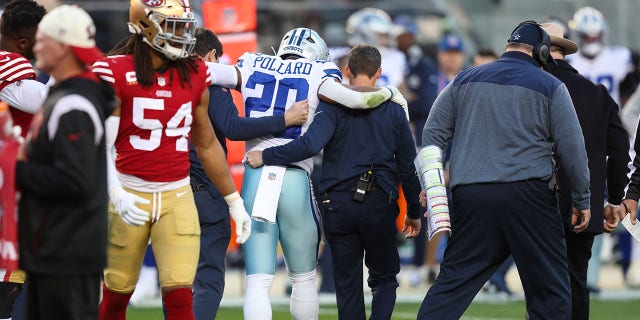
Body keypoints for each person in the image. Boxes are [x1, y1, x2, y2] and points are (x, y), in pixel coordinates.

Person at [206, 27, 405, 320]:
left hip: (256, 176)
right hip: (295, 177)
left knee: (258, 282)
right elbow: (358, 100)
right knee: (303, 279)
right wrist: (390, 93)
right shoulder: (320, 72)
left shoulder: (252, 63)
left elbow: (206, 71)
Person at [417, 21, 591, 319]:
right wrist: (582, 199)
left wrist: (432, 186)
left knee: (452, 284)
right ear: (543, 51)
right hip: (529, 196)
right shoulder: (550, 85)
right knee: (549, 291)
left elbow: (432, 135)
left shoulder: (463, 79)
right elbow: (573, 148)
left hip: (471, 194)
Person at [92, 1, 252, 319]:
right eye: (173, 25)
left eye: (184, 25)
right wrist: (115, 191)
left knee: (181, 294)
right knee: (116, 295)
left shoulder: (194, 75)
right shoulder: (116, 71)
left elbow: (207, 145)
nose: (182, 33)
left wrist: (234, 201)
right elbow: (102, 145)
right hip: (129, 190)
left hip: (176, 195)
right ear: (146, 26)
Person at [189, 27, 308, 320]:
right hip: (204, 187)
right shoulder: (210, 86)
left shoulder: (165, 80)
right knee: (208, 278)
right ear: (213, 56)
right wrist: (285, 119)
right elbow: (233, 127)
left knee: (176, 280)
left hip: (170, 187)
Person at [14, 5, 114, 319]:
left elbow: (75, 180)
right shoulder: (63, 95)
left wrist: (15, 169)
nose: (35, 45)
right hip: (54, 248)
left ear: (63, 48)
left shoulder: (74, 105)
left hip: (68, 252)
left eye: (42, 39)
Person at [542, 22, 630, 320]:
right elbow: (619, 150)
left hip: (536, 199)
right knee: (577, 280)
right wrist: (615, 200)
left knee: (542, 283)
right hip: (587, 204)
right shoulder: (597, 93)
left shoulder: (530, 87)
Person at [567, 6, 634, 292]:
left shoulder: (620, 58)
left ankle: (626, 265)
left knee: (624, 199)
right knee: (591, 203)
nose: (591, 40)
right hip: (585, 138)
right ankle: (590, 276)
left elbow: (630, 89)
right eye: (587, 35)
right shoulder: (571, 60)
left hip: (614, 131)